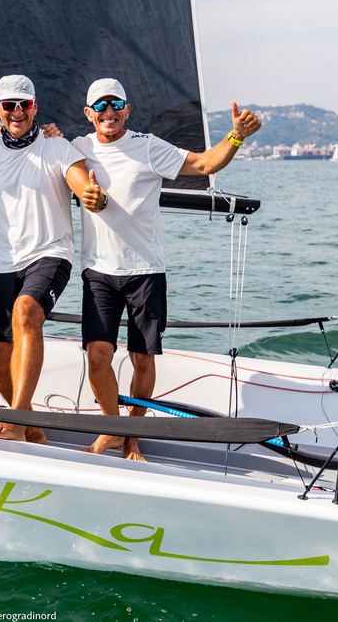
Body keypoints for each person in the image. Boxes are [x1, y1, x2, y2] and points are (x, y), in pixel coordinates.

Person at [72, 78, 261, 460]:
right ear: (89, 113)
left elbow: (204, 163)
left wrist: (237, 137)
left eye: (116, 104)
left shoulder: (147, 146)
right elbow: (36, 148)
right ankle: (113, 427)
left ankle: (133, 435)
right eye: (101, 106)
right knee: (97, 356)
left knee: (143, 359)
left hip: (145, 271)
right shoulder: (77, 148)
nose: (109, 112)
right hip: (99, 270)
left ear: (127, 110)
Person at [0, 75, 107, 443]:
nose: (17, 112)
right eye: (9, 105)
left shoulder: (56, 146)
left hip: (50, 253)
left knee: (26, 311)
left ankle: (17, 418)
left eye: (24, 104)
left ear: (35, 107)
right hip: (2, 261)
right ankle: (29, 425)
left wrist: (92, 196)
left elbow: (81, 183)